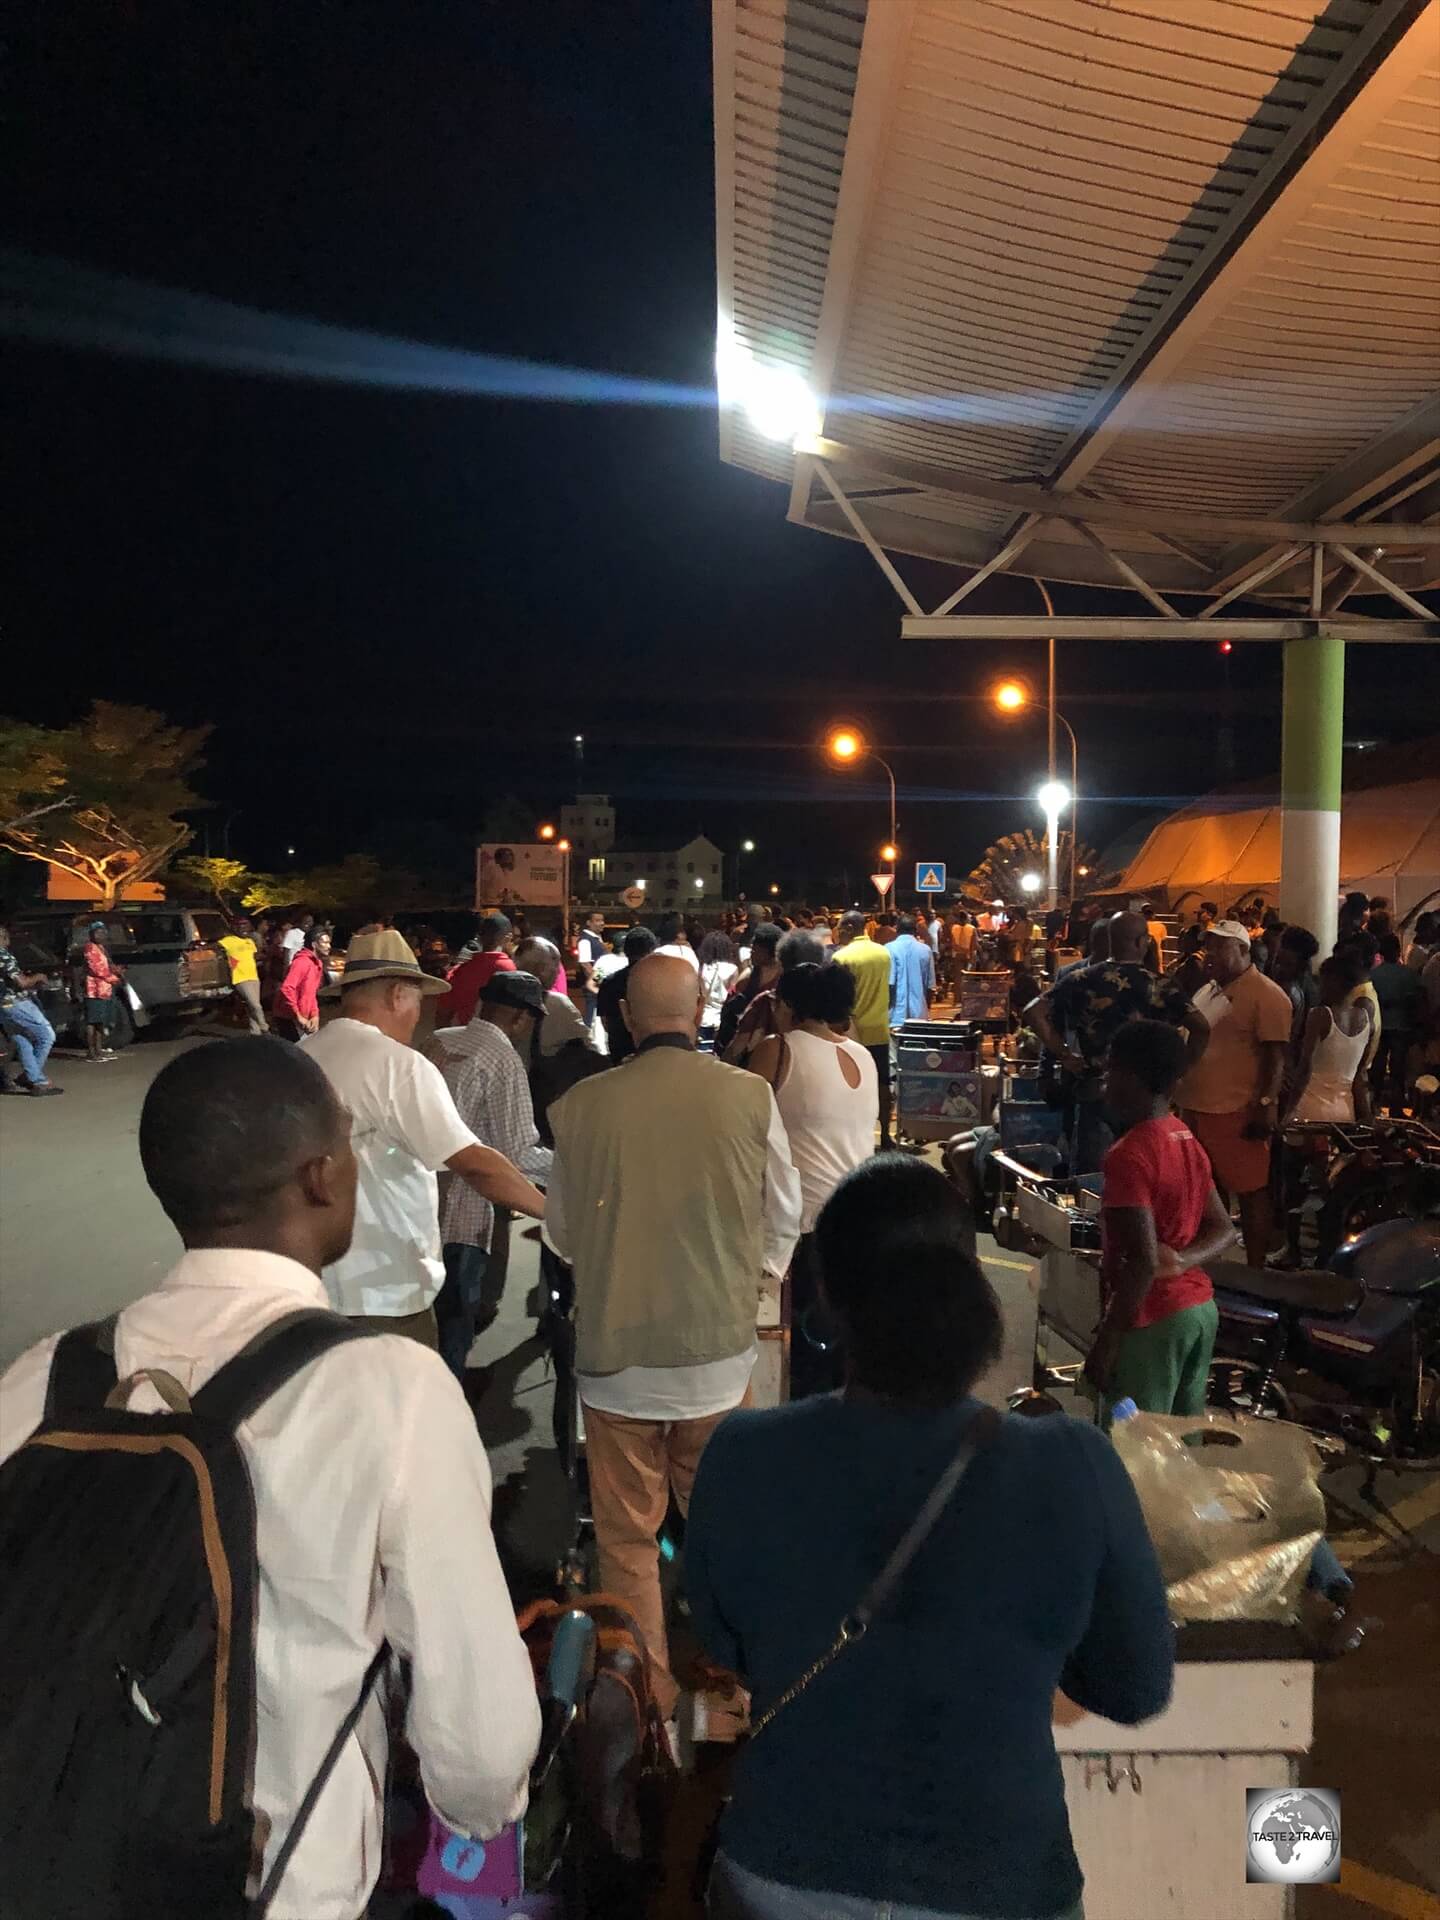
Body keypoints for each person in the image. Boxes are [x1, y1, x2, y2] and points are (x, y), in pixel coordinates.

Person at [0, 1037, 541, 1918]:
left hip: (63, 1858)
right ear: (323, 1176)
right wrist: (479, 1821)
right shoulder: (389, 1390)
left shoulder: (41, 1379)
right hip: (280, 1886)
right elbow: (480, 1745)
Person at [686, 1155, 1173, 1920]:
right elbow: (1135, 1686)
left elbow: (726, 1640)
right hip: (1000, 1882)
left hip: (781, 1876)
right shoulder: (1071, 1463)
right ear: (971, 1282)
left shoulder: (742, 1454)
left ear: (828, 1302)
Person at [543, 955, 802, 1730]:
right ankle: (749, 1683)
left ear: (626, 1017)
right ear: (702, 1010)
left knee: (627, 1543)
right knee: (727, 1526)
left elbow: (561, 1232)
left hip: (616, 1363)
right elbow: (784, 1212)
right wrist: (749, 1276)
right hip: (718, 1357)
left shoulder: (583, 1106)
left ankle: (645, 1705)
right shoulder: (749, 1095)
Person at [301, 931, 545, 1345]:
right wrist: (557, 1214)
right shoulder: (399, 1066)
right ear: (398, 994)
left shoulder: (301, 1054)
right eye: (418, 1001)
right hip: (386, 1296)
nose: (419, 1015)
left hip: (312, 1288)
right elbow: (475, 1165)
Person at [1088, 1021, 1236, 1417]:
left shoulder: (1129, 1155)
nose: (1105, 1082)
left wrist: (1108, 1339)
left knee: (1136, 1451)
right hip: (1198, 1312)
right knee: (1180, 1449)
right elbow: (1224, 1229)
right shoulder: (1185, 1138)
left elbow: (1141, 1261)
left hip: (1152, 1319)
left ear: (1132, 1078)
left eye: (1110, 1071)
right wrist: (1184, 1261)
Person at [750, 963, 878, 1398]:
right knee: (848, 1349)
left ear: (787, 1005)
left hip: (805, 1225)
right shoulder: (862, 1055)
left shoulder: (778, 1049)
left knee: (805, 1356)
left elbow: (742, 1126)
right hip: (861, 1218)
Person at [428, 972, 554, 1377]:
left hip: (416, 1208)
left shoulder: (438, 1041)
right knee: (454, 1328)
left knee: (422, 1329)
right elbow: (516, 1152)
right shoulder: (502, 1058)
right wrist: (574, 1170)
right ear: (522, 1018)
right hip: (462, 1215)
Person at [1028, 911, 1205, 1176]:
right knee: (1144, 1176)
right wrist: (1182, 1070)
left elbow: (1033, 1011)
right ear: (1141, 942)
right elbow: (1202, 1027)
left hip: (1096, 1092)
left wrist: (1063, 1053)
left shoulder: (1080, 979)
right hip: (1149, 1099)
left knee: (1093, 1182)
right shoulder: (1160, 985)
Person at [1176, 919, 1294, 1266]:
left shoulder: (1267, 995)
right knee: (1207, 1192)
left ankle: (1256, 1269)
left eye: (1219, 946)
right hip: (1195, 1106)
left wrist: (1266, 1105)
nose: (1209, 953)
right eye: (1208, 945)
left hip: (1235, 1110)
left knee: (1251, 1191)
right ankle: (1217, 1264)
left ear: (1242, 949)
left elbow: (1276, 1058)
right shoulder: (1207, 989)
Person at [1287, 952, 1374, 1125]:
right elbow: (1360, 1074)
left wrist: (1288, 1111)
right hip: (1345, 1109)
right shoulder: (1365, 1019)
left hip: (1312, 1108)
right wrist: (1366, 1115)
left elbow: (1306, 1067)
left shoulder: (1320, 1015)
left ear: (1332, 981)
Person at [833, 909, 895, 1150]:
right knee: (882, 1084)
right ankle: (887, 1134)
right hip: (879, 1029)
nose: (837, 932)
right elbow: (889, 990)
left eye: (839, 927)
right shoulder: (883, 953)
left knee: (851, 1086)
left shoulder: (842, 958)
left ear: (849, 928)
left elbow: (840, 998)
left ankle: (856, 1135)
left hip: (851, 1032)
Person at [724, 928, 822, 1065]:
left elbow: (736, 1049)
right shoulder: (829, 1003)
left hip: (770, 1073)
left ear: (780, 962)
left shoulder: (768, 1001)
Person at [0, 926, 63, 1096]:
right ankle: (32, 1078)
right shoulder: (4, 955)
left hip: (2, 1006)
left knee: (23, 1042)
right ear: (5, 939)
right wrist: (38, 977)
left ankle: (34, 1079)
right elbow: (21, 982)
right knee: (47, 1035)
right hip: (15, 1002)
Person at [1370, 932, 1425, 1114]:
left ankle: (1374, 1102)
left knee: (1377, 1066)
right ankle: (1396, 1106)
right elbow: (1416, 1000)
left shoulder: (1374, 974)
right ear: (1397, 951)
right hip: (1401, 1027)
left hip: (1380, 1026)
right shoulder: (1408, 974)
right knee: (1398, 1068)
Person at [512, 935, 595, 1056]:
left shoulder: (493, 998)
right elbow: (589, 1046)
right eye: (555, 964)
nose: (558, 971)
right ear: (541, 969)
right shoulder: (556, 1004)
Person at [439, 913, 516, 1027]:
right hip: (496, 1039)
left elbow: (443, 1014)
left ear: (479, 937)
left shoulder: (459, 971)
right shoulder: (512, 970)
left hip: (463, 1036)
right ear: (508, 938)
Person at [596, 924, 659, 1062]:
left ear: (626, 950)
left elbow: (605, 1021)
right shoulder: (659, 981)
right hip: (652, 1053)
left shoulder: (610, 982)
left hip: (619, 1050)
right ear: (651, 951)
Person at [274, 925, 331, 1041]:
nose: (328, 946)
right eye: (325, 943)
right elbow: (287, 988)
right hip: (288, 1017)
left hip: (302, 1017)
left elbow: (311, 994)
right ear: (314, 945)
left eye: (329, 943)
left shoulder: (317, 963)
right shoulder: (302, 962)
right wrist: (298, 1016)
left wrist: (315, 1015)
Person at [81, 919, 123, 1062]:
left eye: (102, 932)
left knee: (100, 1021)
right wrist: (114, 978)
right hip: (94, 990)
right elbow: (97, 969)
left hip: (103, 990)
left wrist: (116, 970)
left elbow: (107, 966)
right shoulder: (90, 947)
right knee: (92, 1022)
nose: (101, 934)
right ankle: (91, 1052)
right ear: (91, 934)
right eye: (97, 932)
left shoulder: (100, 947)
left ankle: (99, 1050)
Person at [220, 915, 268, 1034]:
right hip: (240, 978)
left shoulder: (250, 942)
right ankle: (265, 1028)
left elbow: (254, 957)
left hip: (253, 977)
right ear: (235, 928)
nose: (244, 928)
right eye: (241, 926)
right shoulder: (228, 941)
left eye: (246, 925)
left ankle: (255, 1034)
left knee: (253, 1007)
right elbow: (214, 947)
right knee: (256, 1005)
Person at [888, 911, 935, 1024]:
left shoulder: (888, 949)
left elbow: (889, 984)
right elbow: (930, 987)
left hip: (895, 1016)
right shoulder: (926, 950)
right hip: (919, 1016)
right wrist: (926, 1010)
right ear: (915, 930)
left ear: (897, 929)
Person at [698, 929, 740, 1047]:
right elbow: (732, 993)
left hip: (703, 1017)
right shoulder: (732, 969)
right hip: (721, 1019)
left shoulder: (702, 968)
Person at [1143, 902, 1169, 973]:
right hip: (1156, 956)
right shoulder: (1161, 926)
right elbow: (1164, 943)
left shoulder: (1140, 925)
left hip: (1142, 955)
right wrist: (1165, 958)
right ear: (1154, 914)